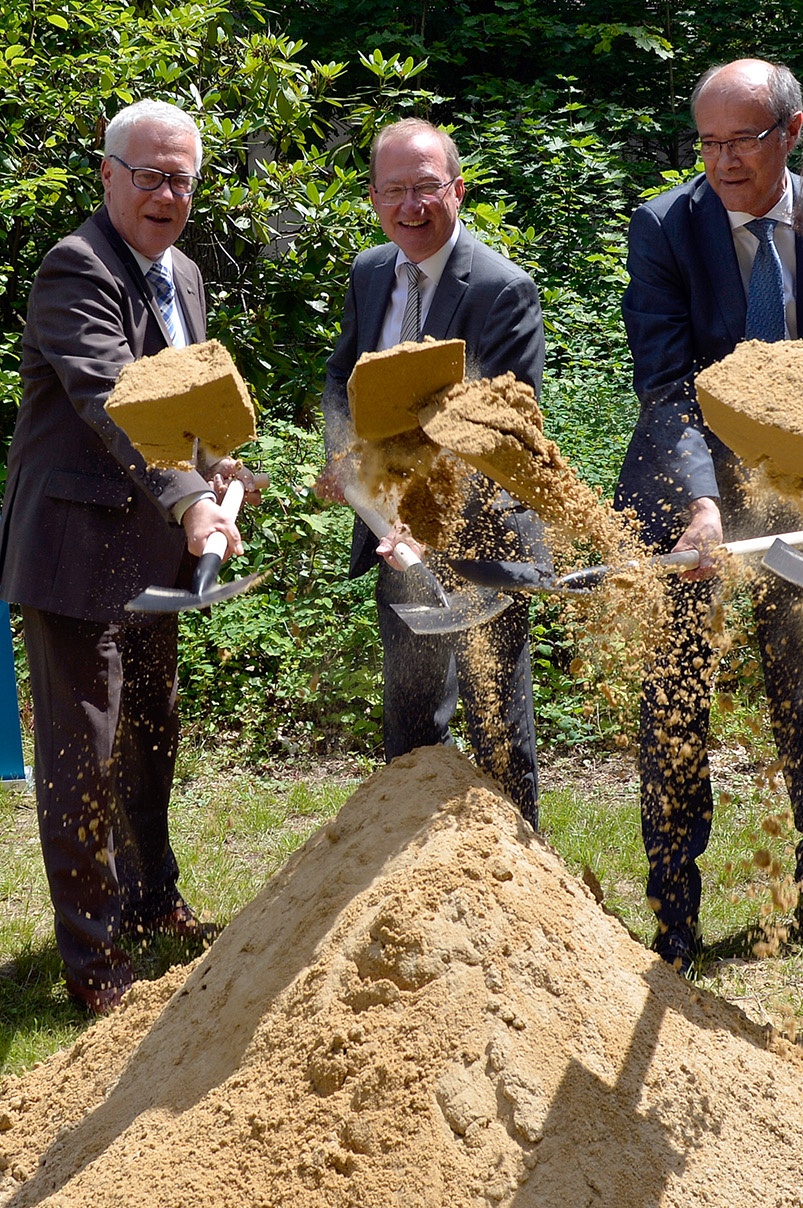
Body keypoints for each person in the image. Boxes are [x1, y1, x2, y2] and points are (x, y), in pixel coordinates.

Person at [619, 58, 803, 971]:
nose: (725, 161)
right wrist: (702, 502)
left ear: (793, 131)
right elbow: (665, 384)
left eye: (745, 140)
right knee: (677, 696)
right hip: (684, 485)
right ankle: (675, 913)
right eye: (709, 143)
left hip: (801, 489)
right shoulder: (665, 226)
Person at [0, 100, 253, 1017]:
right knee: (85, 753)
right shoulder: (77, 268)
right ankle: (94, 957)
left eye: (182, 179)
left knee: (151, 734)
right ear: (108, 175)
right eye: (149, 176)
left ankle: (150, 898)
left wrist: (217, 468)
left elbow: (182, 402)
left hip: (150, 555)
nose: (167, 194)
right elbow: (115, 398)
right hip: (74, 555)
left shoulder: (184, 273)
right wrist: (188, 500)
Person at [317, 118, 549, 826]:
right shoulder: (368, 273)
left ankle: (521, 872)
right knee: (413, 719)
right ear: (372, 196)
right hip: (393, 534)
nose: (410, 206)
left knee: (497, 722)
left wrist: (427, 518)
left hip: (484, 536)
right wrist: (345, 458)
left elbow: (499, 431)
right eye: (393, 190)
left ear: (457, 189)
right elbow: (343, 379)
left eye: (426, 187)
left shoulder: (502, 289)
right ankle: (410, 865)